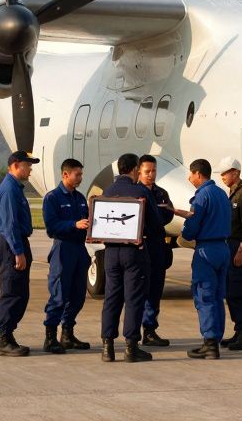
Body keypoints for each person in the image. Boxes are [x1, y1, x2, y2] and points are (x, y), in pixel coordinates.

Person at [99, 152, 161, 362]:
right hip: (134, 252)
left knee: (111, 298)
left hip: (110, 252)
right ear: (135, 169)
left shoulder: (108, 190)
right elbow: (155, 224)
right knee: (134, 298)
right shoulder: (140, 191)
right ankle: (131, 347)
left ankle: (107, 347)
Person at [176, 158, 232, 359]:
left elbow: (192, 226)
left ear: (198, 174)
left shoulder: (201, 197)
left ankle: (209, 343)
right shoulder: (222, 194)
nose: (189, 178)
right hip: (223, 248)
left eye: (191, 174)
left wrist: (185, 233)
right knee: (217, 297)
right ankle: (215, 339)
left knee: (204, 295)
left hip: (206, 251)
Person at [0, 151, 40, 357]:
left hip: (17, 243)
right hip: (12, 245)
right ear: (15, 165)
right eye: (27, 165)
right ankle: (2, 339)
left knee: (20, 293)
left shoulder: (15, 188)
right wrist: (18, 252)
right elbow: (10, 225)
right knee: (11, 292)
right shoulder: (9, 190)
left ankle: (8, 335)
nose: (30, 170)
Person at [42, 158, 91, 353]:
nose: (80, 178)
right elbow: (51, 227)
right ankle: (50, 338)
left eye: (81, 174)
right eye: (77, 174)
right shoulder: (53, 198)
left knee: (78, 295)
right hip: (63, 249)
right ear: (65, 174)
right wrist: (73, 225)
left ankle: (67, 334)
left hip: (80, 249)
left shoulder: (80, 198)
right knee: (59, 294)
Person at [217, 156, 242, 350]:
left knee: (240, 290)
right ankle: (238, 330)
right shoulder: (233, 194)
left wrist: (241, 249)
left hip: (240, 247)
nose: (222, 177)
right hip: (230, 246)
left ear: (235, 172)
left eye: (225, 173)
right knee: (231, 291)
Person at [138, 154, 175, 347]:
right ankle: (133, 331)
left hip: (157, 246)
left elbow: (168, 214)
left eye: (153, 171)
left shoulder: (161, 193)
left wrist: (155, 218)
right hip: (140, 246)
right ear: (139, 171)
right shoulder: (135, 192)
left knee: (155, 289)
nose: (151, 175)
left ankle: (150, 329)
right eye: (147, 171)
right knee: (138, 291)